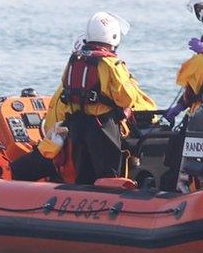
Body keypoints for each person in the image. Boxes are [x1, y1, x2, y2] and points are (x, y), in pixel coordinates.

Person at [45, 12, 156, 184]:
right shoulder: (111, 64)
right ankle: (110, 204)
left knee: (85, 172)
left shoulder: (75, 59)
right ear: (113, 36)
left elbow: (66, 88)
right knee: (109, 172)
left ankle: (82, 201)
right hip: (102, 126)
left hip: (78, 125)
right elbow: (126, 98)